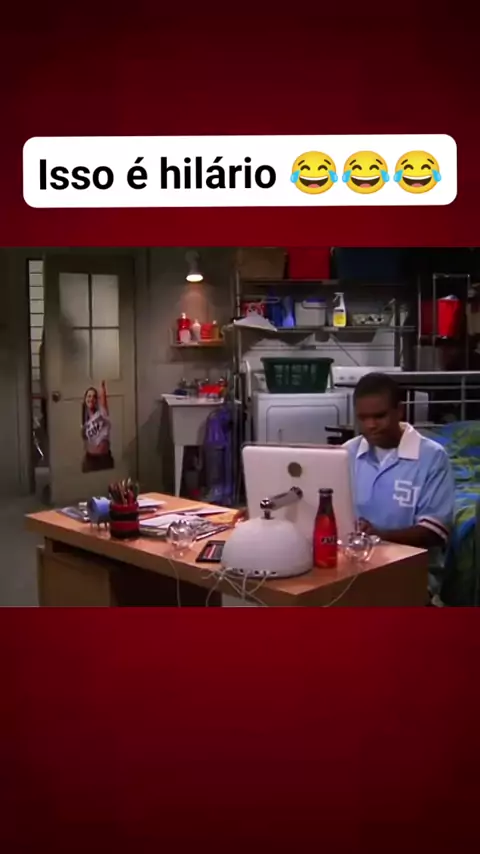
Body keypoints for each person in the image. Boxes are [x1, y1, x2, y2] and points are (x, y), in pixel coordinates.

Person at [344, 372, 455, 601]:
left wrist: (379, 536)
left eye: (379, 416)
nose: (371, 425)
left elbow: (434, 533)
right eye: (363, 418)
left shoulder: (432, 457)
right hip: (349, 569)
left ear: (399, 411)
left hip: (411, 572)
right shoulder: (346, 454)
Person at [81, 381, 114, 473]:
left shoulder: (102, 414)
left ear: (97, 400)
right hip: (90, 459)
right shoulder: (84, 420)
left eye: (94, 396)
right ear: (85, 399)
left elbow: (103, 398)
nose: (91, 399)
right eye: (89, 396)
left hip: (104, 458)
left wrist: (102, 385)